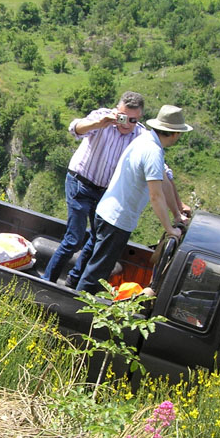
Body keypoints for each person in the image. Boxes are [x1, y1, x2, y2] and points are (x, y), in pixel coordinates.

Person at [75, 105, 193, 294]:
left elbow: (164, 183)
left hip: (109, 212)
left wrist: (177, 215)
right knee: (97, 274)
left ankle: (73, 290)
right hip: (117, 219)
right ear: (174, 134)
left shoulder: (146, 140)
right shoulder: (153, 152)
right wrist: (169, 228)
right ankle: (74, 312)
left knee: (95, 264)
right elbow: (156, 195)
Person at [41, 91, 147, 287]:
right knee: (74, 239)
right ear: (117, 111)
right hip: (80, 183)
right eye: (123, 117)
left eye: (133, 120)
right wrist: (100, 123)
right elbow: (75, 129)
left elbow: (157, 164)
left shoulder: (140, 136)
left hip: (105, 193)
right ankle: (47, 281)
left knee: (96, 239)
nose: (126, 124)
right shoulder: (102, 118)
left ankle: (73, 280)